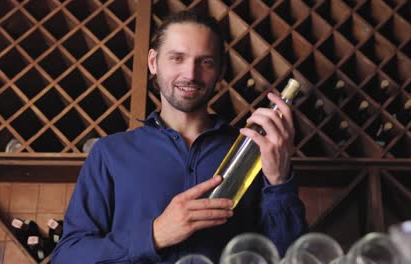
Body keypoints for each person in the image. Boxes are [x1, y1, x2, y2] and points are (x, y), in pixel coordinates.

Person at [51, 10, 307, 263]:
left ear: (220, 70)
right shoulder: (109, 154)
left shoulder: (257, 151)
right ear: (153, 62)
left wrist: (279, 180)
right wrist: (154, 235)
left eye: (205, 62)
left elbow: (290, 258)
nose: (191, 74)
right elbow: (67, 257)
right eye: (177, 58)